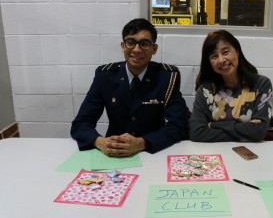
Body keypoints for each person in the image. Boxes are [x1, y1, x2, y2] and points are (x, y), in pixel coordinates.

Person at [71, 18, 189, 156]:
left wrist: (142, 142)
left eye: (144, 44)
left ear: (154, 49)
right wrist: (99, 142)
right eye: (131, 42)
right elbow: (81, 123)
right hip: (113, 152)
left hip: (153, 151)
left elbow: (179, 125)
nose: (137, 50)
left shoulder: (167, 77)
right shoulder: (105, 76)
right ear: (123, 45)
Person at [189, 30, 273, 142]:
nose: (221, 60)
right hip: (215, 155)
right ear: (209, 62)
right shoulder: (206, 89)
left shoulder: (261, 84)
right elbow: (196, 133)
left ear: (237, 52)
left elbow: (259, 131)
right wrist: (245, 134)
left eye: (225, 52)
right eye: (214, 56)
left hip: (252, 153)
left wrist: (214, 125)